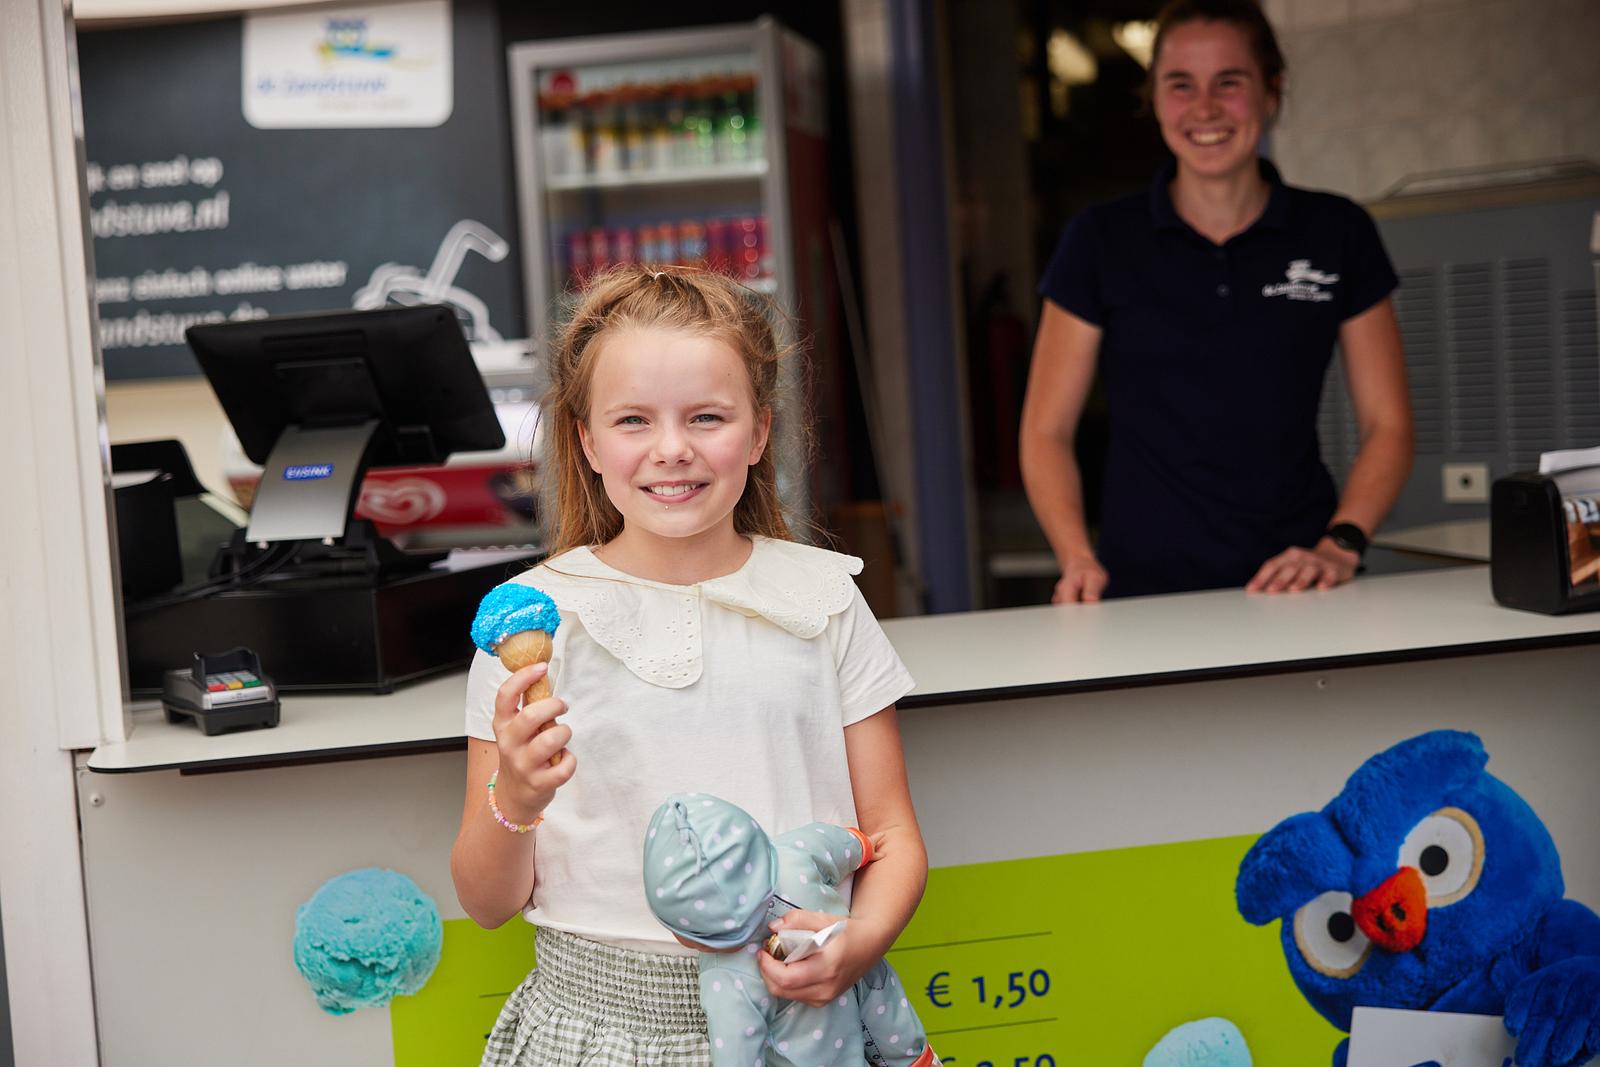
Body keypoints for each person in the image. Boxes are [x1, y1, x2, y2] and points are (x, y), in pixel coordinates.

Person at [450, 264, 928, 1067]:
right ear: (587, 441)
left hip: (805, 1022)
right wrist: (518, 799)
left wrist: (862, 940)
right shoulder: (535, 623)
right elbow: (486, 900)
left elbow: (892, 834)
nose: (672, 449)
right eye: (633, 420)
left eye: (707, 416)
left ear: (760, 432)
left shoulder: (825, 600)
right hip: (597, 1031)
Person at [1019, 0, 1414, 602]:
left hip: (1300, 585)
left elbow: (1389, 425)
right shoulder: (1099, 240)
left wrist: (1339, 545)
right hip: (1142, 592)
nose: (1204, 108)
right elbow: (1046, 431)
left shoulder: (1337, 230)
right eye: (1181, 85)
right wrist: (1076, 557)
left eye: (1229, 82)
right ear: (1154, 99)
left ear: (1271, 91)